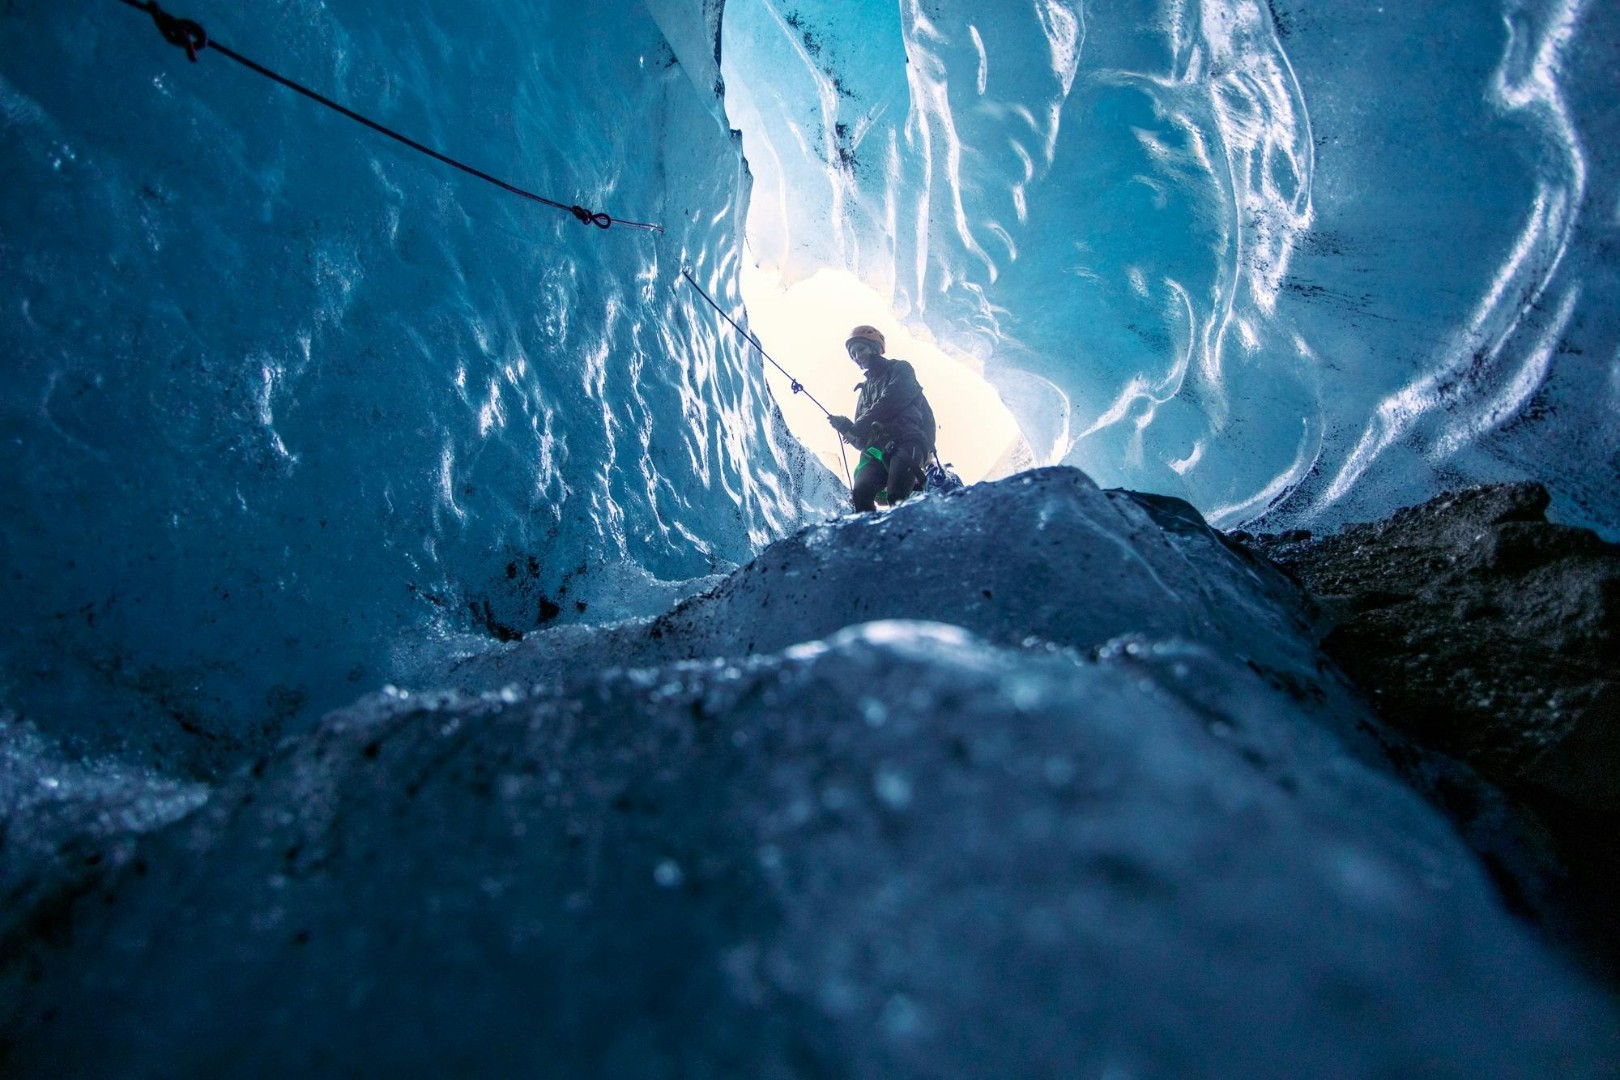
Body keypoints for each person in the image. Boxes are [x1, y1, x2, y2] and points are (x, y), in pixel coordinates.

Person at [827, 325, 937, 513]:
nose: (857, 357)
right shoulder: (864, 393)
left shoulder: (901, 368)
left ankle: (908, 537)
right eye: (853, 355)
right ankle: (872, 539)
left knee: (897, 495)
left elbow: (894, 397)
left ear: (876, 347)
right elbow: (862, 441)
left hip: (908, 440)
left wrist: (857, 426)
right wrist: (846, 427)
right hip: (877, 453)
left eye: (860, 350)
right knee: (860, 494)